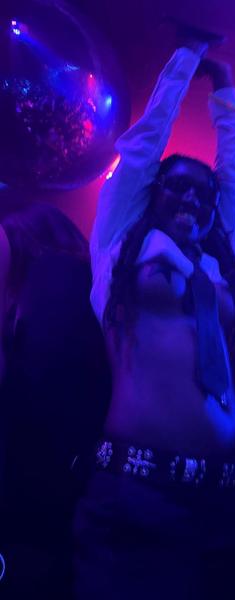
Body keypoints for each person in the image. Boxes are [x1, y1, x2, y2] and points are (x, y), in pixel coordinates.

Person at [74, 24, 235, 600]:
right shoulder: (122, 246)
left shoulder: (216, 264)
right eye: (178, 187)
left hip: (222, 501)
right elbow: (142, 148)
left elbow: (234, 177)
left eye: (203, 196)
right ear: (152, 193)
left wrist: (226, 91)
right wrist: (187, 60)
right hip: (137, 496)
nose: (193, 199)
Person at [0, 202, 110, 599]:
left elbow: (37, 374)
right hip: (81, 474)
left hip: (41, 470)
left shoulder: (51, 279)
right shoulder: (89, 282)